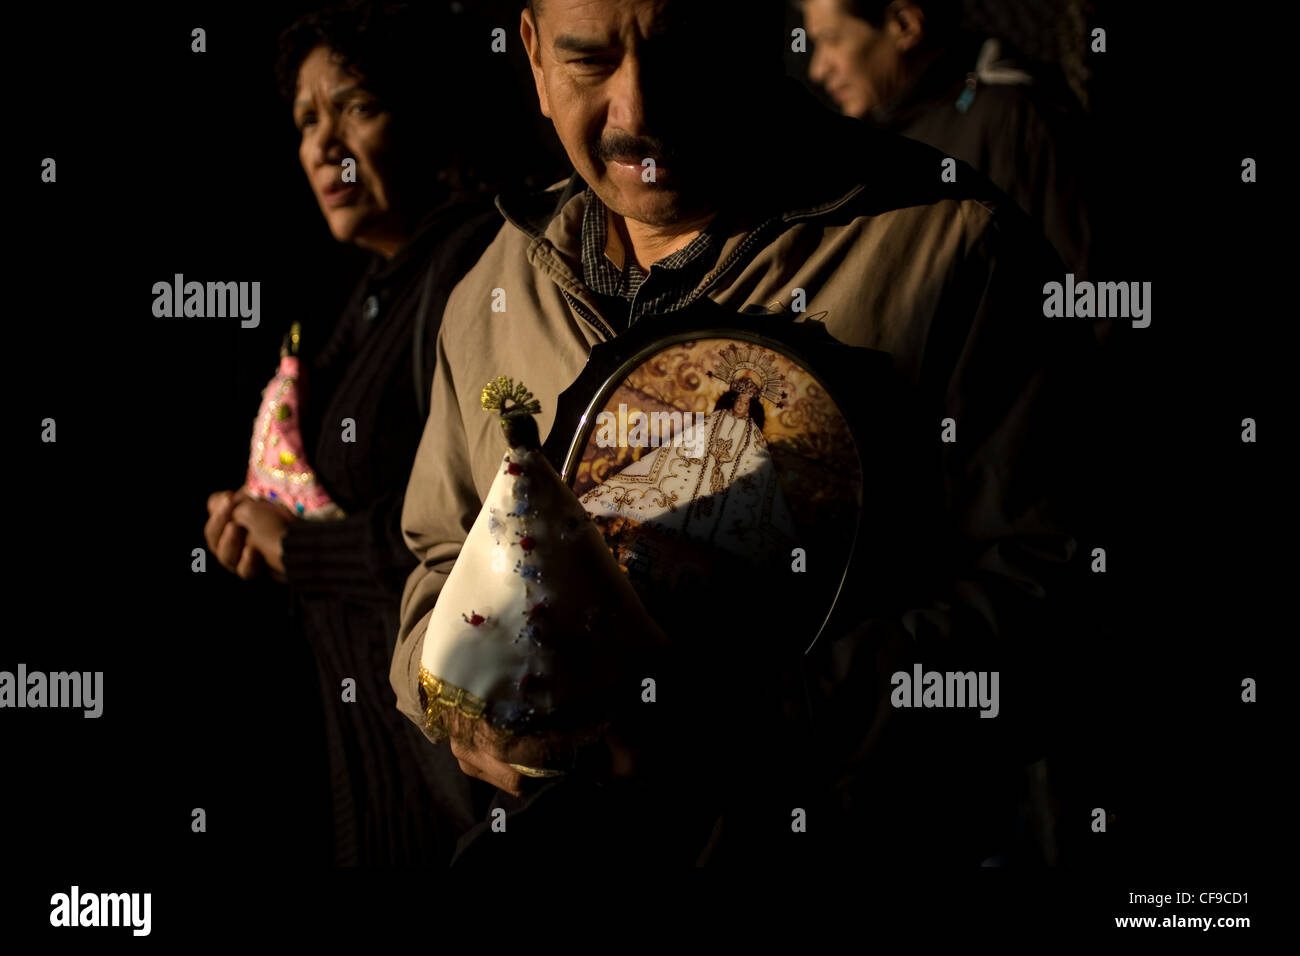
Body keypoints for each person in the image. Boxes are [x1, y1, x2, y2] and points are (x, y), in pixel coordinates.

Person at [390, 0, 1101, 866]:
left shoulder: (950, 249)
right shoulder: (492, 290)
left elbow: (1057, 594)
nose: (638, 111)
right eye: (588, 61)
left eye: (681, 50)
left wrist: (765, 721)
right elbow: (438, 559)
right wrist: (461, 698)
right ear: (533, 56)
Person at [201, 1, 520, 866]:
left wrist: (296, 551)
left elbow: (483, 534)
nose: (322, 143)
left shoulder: (475, 270)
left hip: (458, 780)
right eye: (307, 120)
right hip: (378, 779)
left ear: (426, 113)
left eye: (357, 107)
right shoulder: (364, 300)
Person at [802, 0, 1095, 280]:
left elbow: (1086, 282)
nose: (818, 69)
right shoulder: (872, 135)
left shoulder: (1014, 119)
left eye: (832, 39)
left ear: (904, 24)